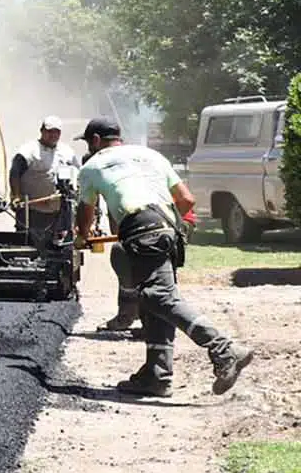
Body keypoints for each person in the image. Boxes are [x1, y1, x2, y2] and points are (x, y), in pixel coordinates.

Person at [73, 117, 253, 397]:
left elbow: (85, 214)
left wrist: (82, 236)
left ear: (95, 140)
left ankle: (224, 349)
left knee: (160, 297)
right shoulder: (151, 155)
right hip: (168, 231)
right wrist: (167, 225)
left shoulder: (92, 166)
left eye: (89, 142)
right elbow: (187, 200)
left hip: (143, 232)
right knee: (152, 298)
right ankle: (157, 375)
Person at [10, 116, 81, 245]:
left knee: (60, 249)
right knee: (28, 246)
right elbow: (15, 172)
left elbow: (79, 174)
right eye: (49, 131)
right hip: (32, 211)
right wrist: (16, 195)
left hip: (60, 211)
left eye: (57, 132)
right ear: (42, 131)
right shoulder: (28, 151)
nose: (53, 135)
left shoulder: (67, 152)